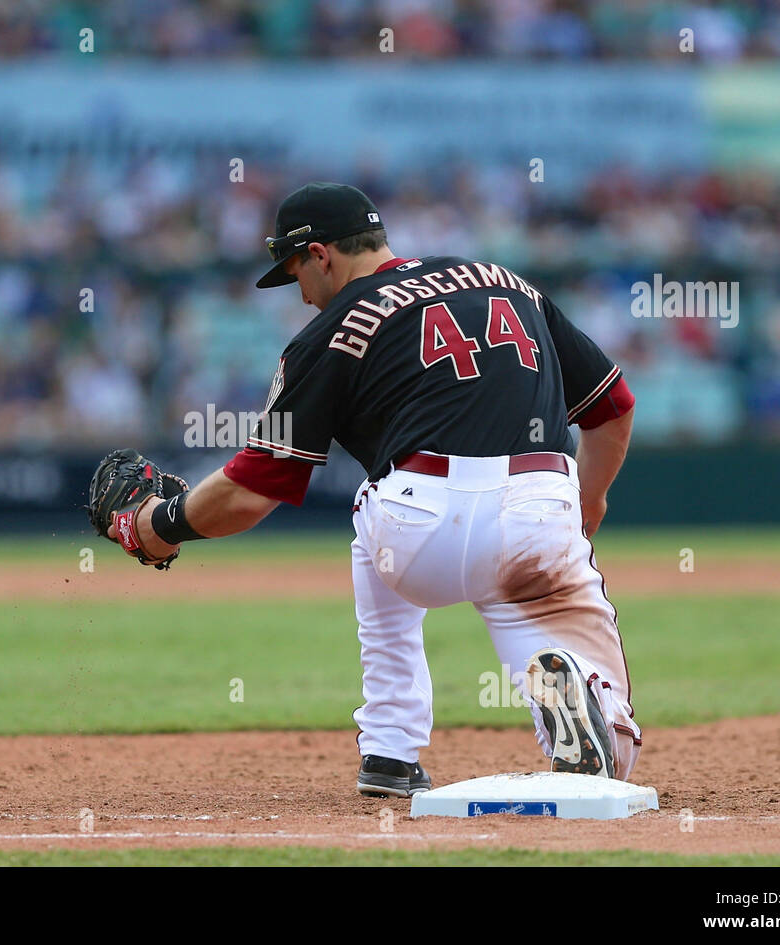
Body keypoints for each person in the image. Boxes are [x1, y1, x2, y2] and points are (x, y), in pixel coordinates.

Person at [109, 182, 640, 796]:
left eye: (294, 270)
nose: (300, 293)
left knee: (372, 514)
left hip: (417, 528)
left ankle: (390, 748)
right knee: (612, 775)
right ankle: (580, 694)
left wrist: (159, 523)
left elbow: (254, 489)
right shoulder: (507, 283)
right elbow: (613, 407)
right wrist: (589, 500)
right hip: (541, 509)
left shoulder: (329, 333)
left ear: (322, 253)